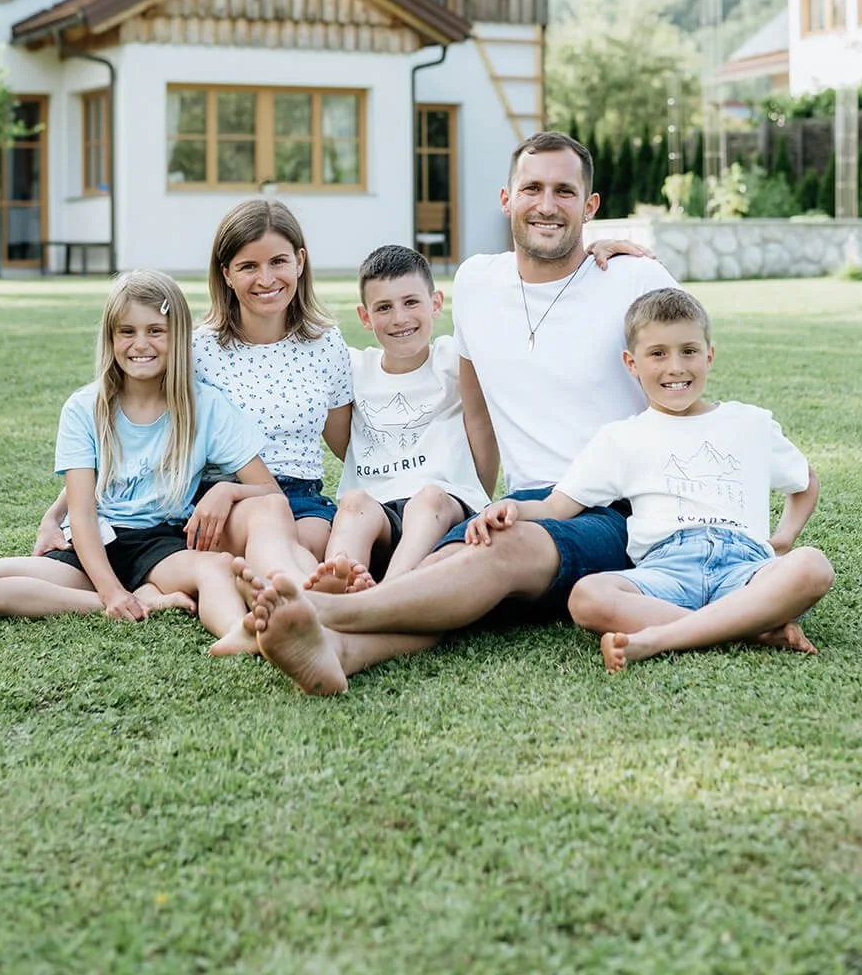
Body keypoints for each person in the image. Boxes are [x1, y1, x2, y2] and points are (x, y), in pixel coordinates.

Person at [242, 131, 682, 694]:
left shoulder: (634, 278)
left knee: (499, 552)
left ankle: (329, 615)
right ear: (507, 199)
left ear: (590, 206)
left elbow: (684, 388)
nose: (547, 205)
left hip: (617, 510)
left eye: (565, 192)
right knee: (437, 575)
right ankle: (340, 655)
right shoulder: (477, 282)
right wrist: (477, 496)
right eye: (533, 188)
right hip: (526, 500)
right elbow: (474, 405)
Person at [468, 285, 834, 671]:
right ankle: (750, 628)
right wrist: (512, 507)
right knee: (587, 596)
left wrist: (783, 539)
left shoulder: (749, 423)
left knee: (812, 565)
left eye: (689, 351)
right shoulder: (621, 438)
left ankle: (659, 639)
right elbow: (556, 505)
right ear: (632, 363)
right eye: (657, 354)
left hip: (745, 568)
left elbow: (804, 481)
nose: (675, 367)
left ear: (709, 356)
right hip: (665, 572)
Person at [0, 271, 283, 640]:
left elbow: (268, 491)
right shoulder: (83, 408)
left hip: (161, 543)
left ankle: (240, 635)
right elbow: (83, 514)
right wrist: (111, 593)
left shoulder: (206, 407)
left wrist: (228, 491)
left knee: (215, 568)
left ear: (179, 336)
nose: (141, 344)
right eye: (127, 332)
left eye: (156, 330)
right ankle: (138, 602)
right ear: (111, 338)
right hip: (93, 544)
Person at [307, 244, 493, 591]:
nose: (400, 318)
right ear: (365, 317)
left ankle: (388, 594)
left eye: (411, 302)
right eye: (384, 308)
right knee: (353, 503)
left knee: (429, 498)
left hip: (446, 511)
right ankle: (338, 583)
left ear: (436, 304)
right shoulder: (353, 368)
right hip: (379, 516)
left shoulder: (454, 358)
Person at [187, 198, 353, 571]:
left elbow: (349, 444)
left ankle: (291, 600)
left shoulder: (326, 343)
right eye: (248, 266)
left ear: (300, 261)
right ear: (226, 273)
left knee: (315, 546)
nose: (266, 279)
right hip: (227, 501)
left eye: (278, 262)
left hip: (304, 498)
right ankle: (310, 606)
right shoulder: (198, 349)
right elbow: (144, 430)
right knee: (280, 546)